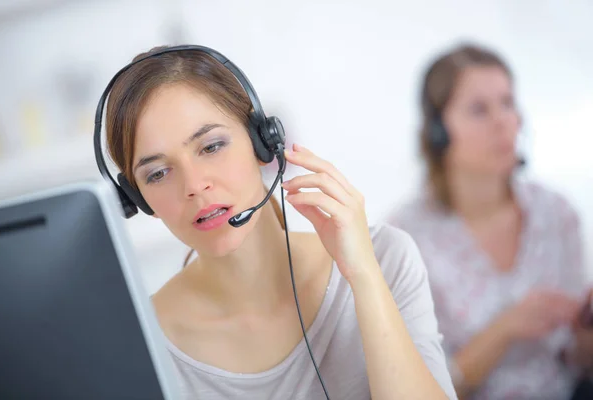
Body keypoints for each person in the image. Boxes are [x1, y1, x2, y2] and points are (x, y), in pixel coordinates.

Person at [102, 45, 457, 400]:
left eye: (210, 147)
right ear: (137, 199)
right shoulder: (143, 342)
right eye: (159, 173)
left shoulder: (385, 258)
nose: (194, 186)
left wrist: (363, 275)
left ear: (262, 142)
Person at [387, 42, 593, 400]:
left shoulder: (558, 213)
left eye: (508, 103)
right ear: (439, 132)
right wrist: (506, 329)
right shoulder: (405, 237)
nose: (504, 121)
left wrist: (585, 341)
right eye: (479, 109)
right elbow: (411, 387)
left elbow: (574, 359)